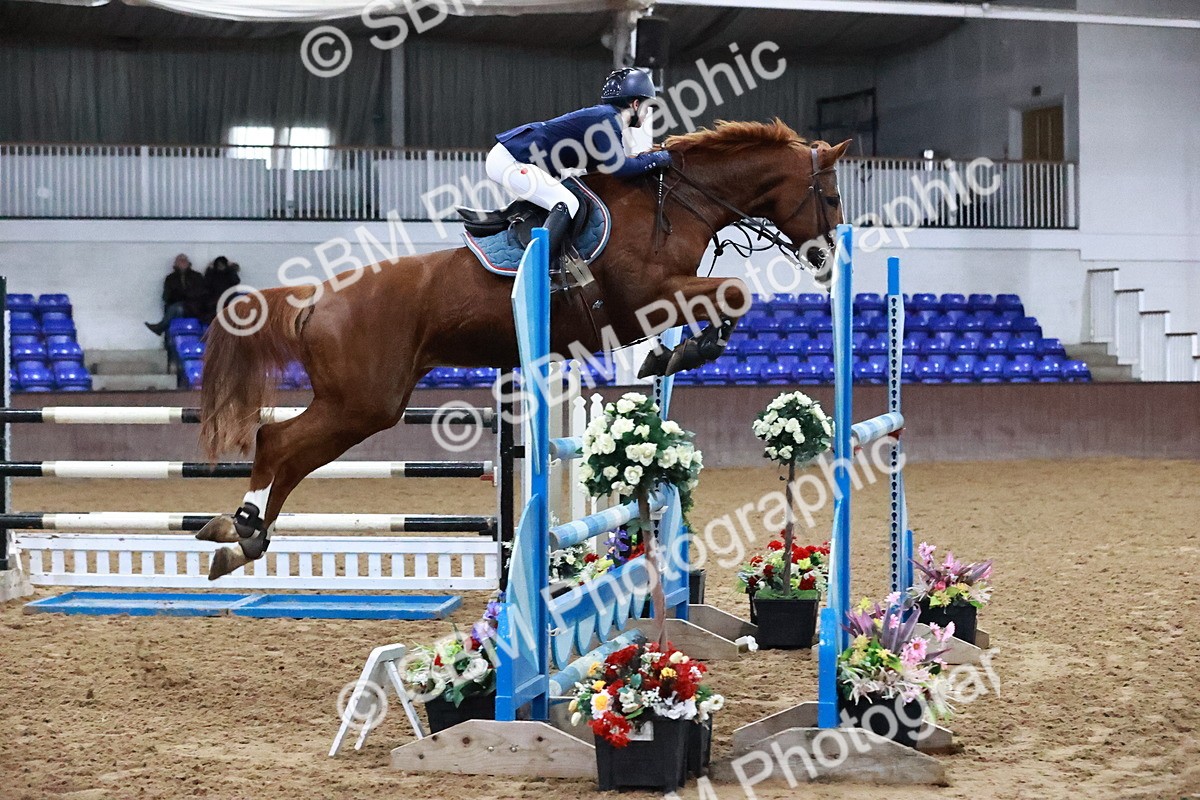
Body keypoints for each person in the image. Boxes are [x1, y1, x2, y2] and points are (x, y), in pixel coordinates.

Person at [485, 67, 672, 264]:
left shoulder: (607, 120)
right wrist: (658, 158)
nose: (647, 114)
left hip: (516, 157)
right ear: (636, 104)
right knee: (567, 203)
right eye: (647, 108)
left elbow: (601, 173)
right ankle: (537, 268)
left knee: (569, 200)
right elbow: (621, 168)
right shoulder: (608, 119)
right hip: (511, 159)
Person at [144, 253, 206, 335]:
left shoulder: (197, 276)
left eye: (185, 260)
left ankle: (160, 327)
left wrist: (183, 295)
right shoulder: (170, 278)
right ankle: (173, 338)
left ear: (189, 263)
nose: (183, 262)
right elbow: (166, 297)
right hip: (176, 305)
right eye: (180, 260)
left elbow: (200, 292)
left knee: (178, 308)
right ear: (175, 264)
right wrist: (181, 296)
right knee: (178, 309)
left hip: (194, 306)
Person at [201, 256, 241, 324]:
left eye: (222, 264)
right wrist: (209, 269)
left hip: (228, 301)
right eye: (219, 264)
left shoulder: (229, 273)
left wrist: (231, 269)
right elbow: (206, 283)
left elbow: (236, 281)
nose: (220, 266)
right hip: (214, 302)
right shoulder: (212, 274)